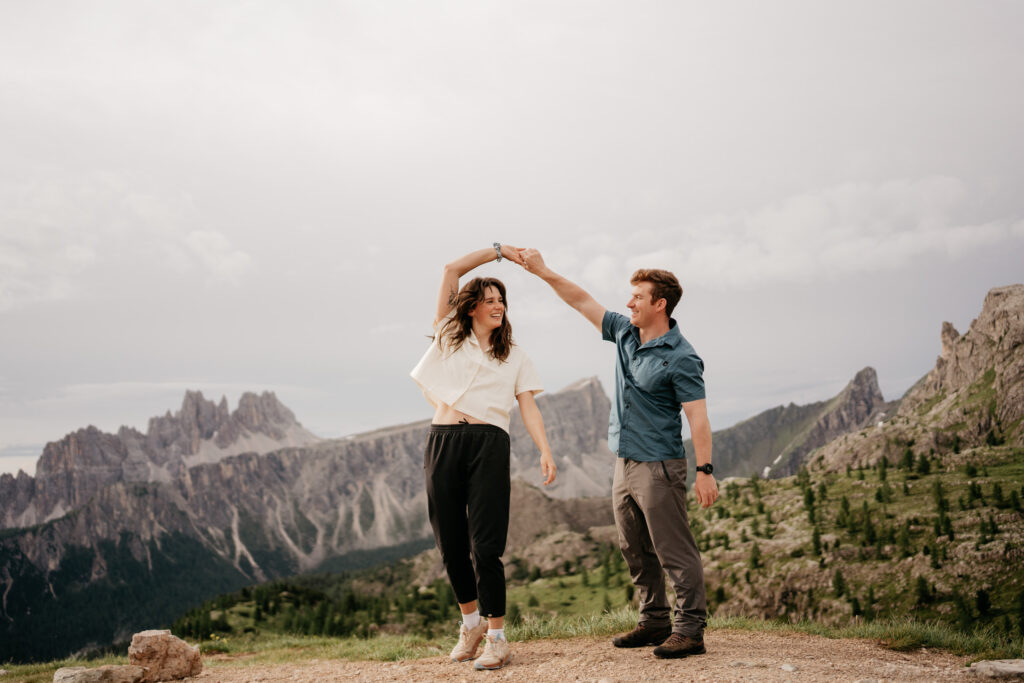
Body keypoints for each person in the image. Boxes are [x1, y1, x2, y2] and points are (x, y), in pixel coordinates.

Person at [519, 248, 718, 659]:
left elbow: (698, 418)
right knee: (634, 548)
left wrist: (705, 470)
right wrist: (542, 271)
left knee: (673, 550)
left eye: (638, 298)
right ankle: (654, 620)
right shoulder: (624, 332)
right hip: (622, 462)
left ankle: (690, 630)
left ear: (659, 304)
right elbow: (579, 299)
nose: (629, 304)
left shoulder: (681, 357)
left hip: (659, 466)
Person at [410, 244, 557, 671]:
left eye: (502, 301)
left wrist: (545, 450)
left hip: (489, 445)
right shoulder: (448, 338)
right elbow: (451, 268)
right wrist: (498, 253)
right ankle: (470, 624)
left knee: (486, 546)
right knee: (450, 543)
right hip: (443, 441)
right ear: (471, 307)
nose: (497, 306)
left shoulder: (515, 356)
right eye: (489, 300)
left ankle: (497, 637)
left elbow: (528, 407)